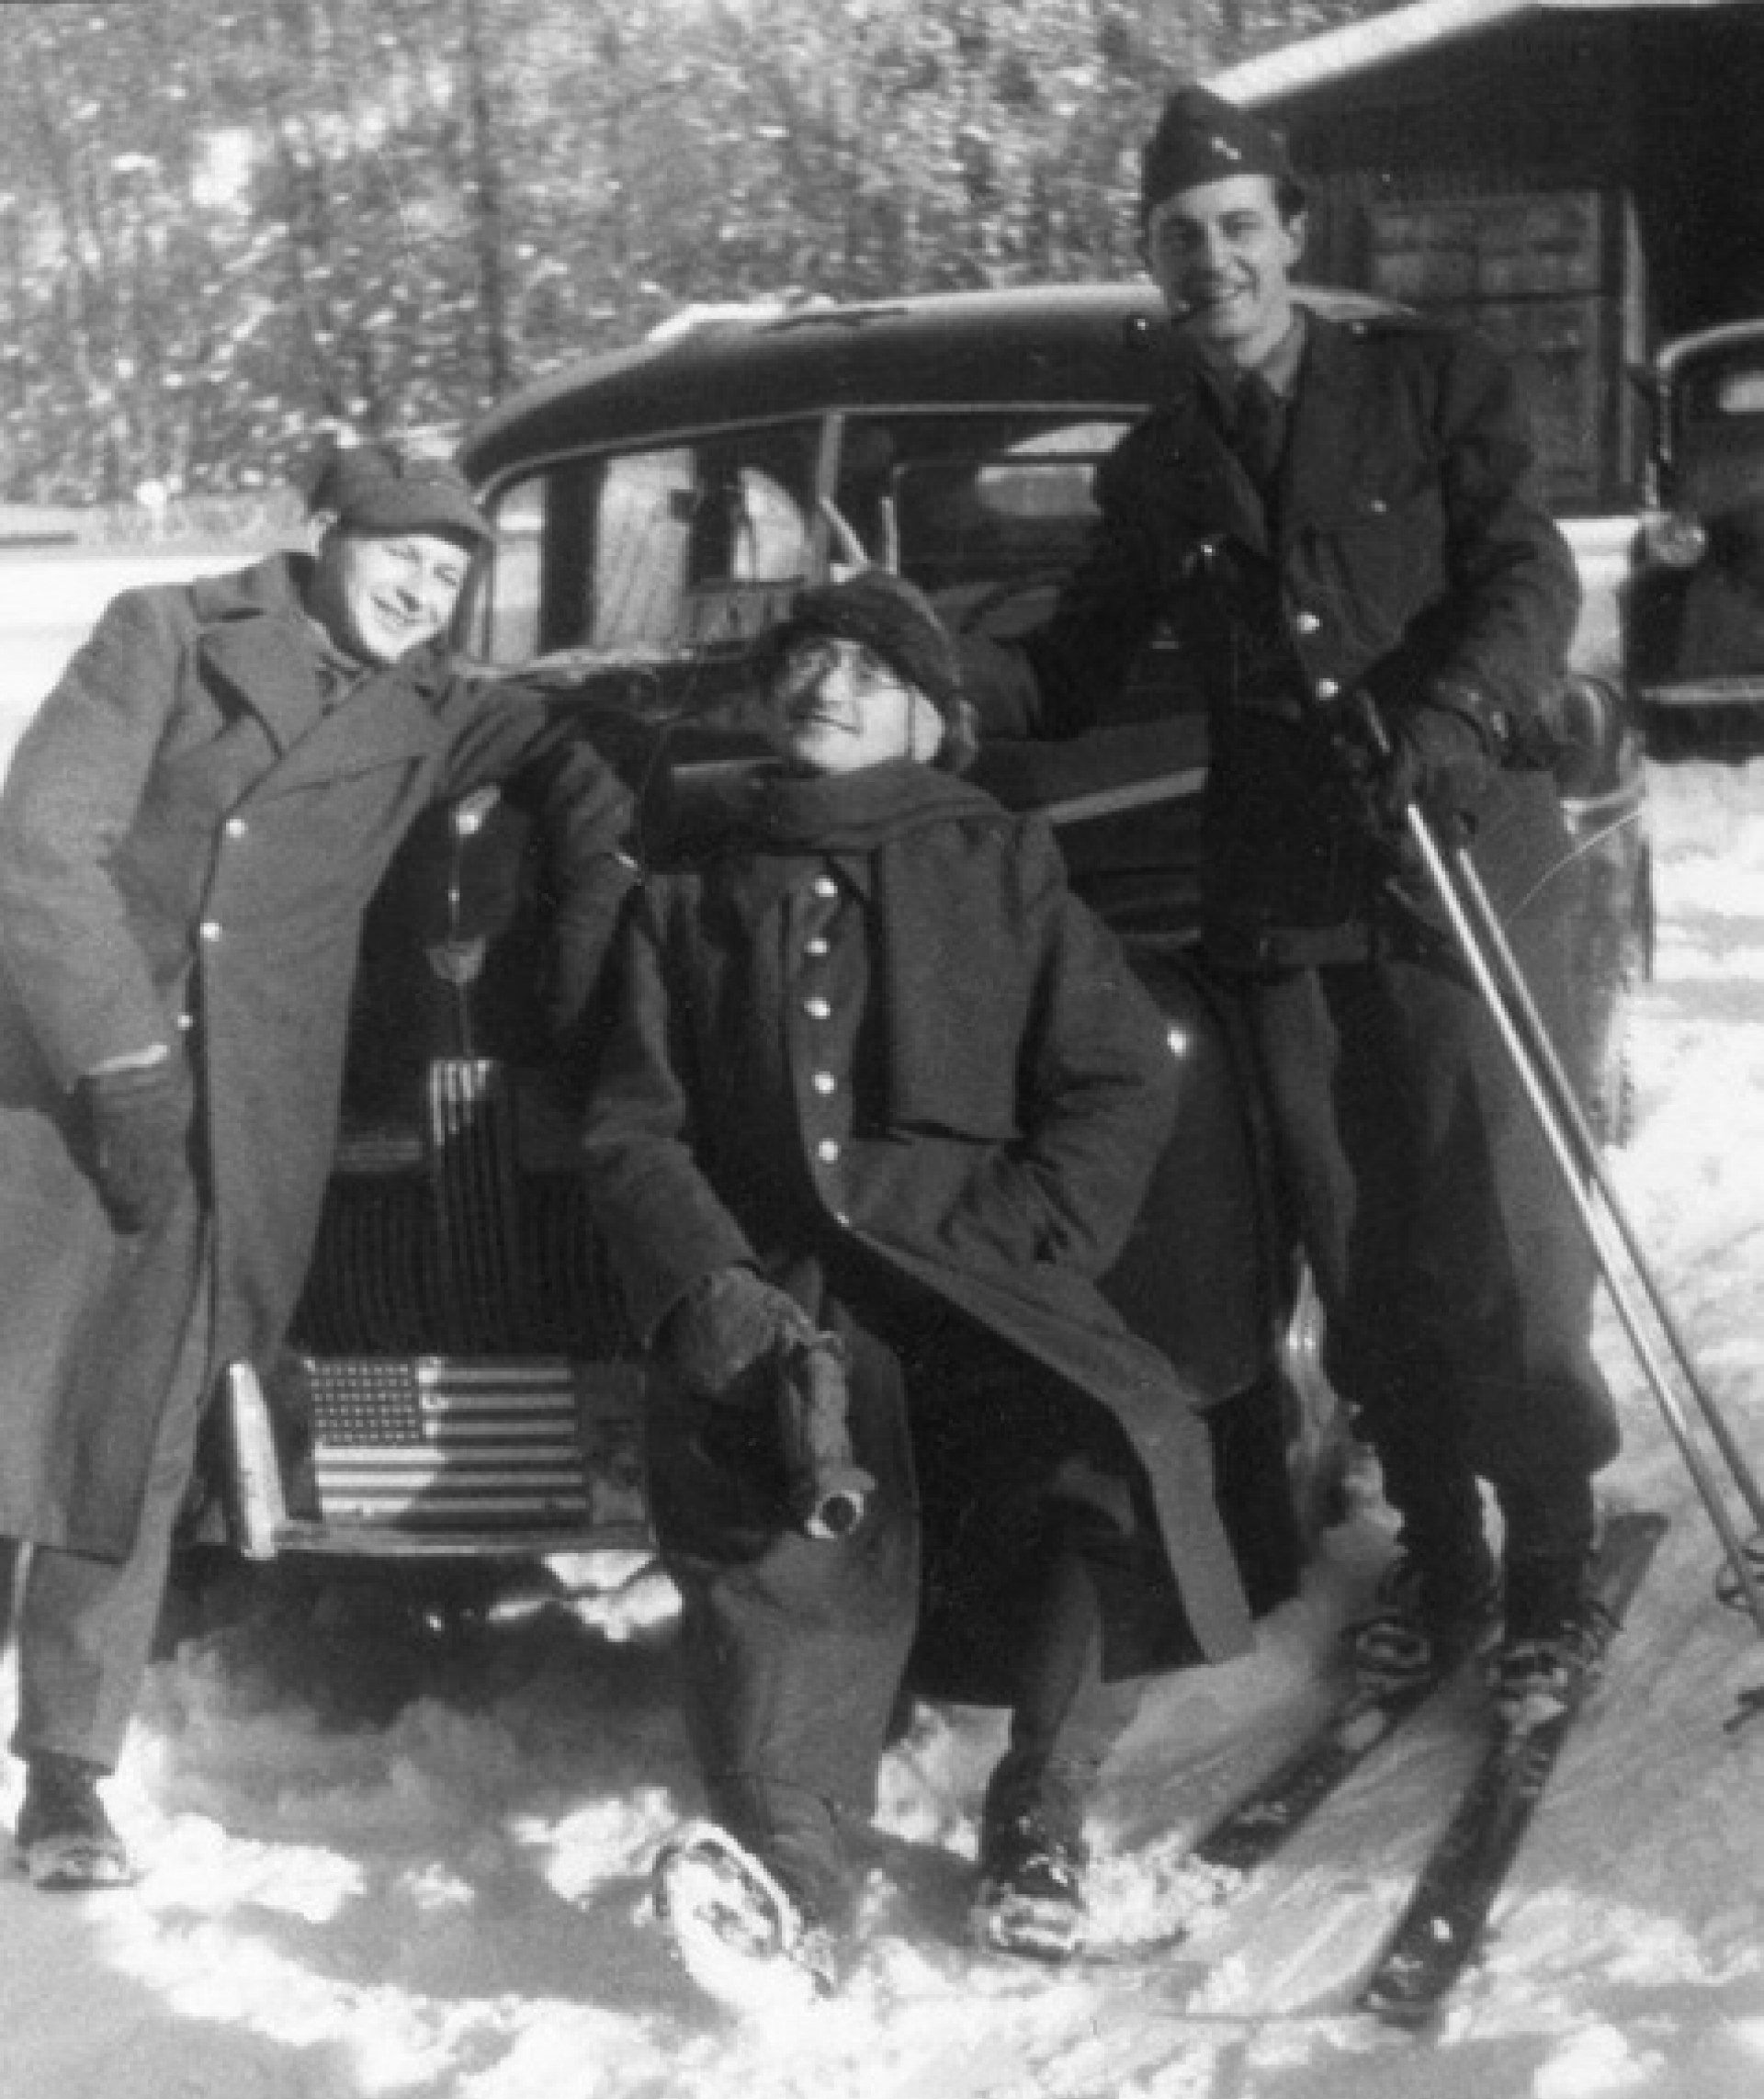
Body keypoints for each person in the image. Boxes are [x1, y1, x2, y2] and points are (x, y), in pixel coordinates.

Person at [961, 83, 1622, 1713]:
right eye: (1182, 238)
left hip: (1460, 860)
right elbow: (1071, 663)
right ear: (1152, 258)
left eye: (1240, 227)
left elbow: (1529, 573)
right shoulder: (1162, 470)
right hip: (1284, 896)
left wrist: (1455, 711)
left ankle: (1550, 1553)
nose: (1216, 262)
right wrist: (921, 678)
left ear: (1292, 232)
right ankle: (1442, 1551)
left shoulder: (1431, 384)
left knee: (1502, 1228)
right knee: (1356, 1236)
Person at [581, 571, 1253, 1985]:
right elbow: (635, 1128)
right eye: (807, 662)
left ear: (929, 721)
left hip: (983, 1271)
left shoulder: (999, 864)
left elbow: (1118, 1072)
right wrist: (711, 1286)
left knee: (1121, 1451)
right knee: (785, 1547)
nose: (829, 687)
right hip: (788, 1291)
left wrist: (1035, 1225)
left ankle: (1040, 1816)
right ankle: (788, 1874)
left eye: (870, 672)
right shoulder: (689, 891)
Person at [0, 439, 633, 1888]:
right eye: (401, 551)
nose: (423, 589)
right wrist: (120, 1058)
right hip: (57, 1078)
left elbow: (562, 738)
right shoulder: (166, 633)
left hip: (231, 1121)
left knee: (130, 1440)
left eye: (451, 570)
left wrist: (605, 845)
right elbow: (39, 852)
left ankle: (65, 1776)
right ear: (327, 535)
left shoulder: (425, 705)